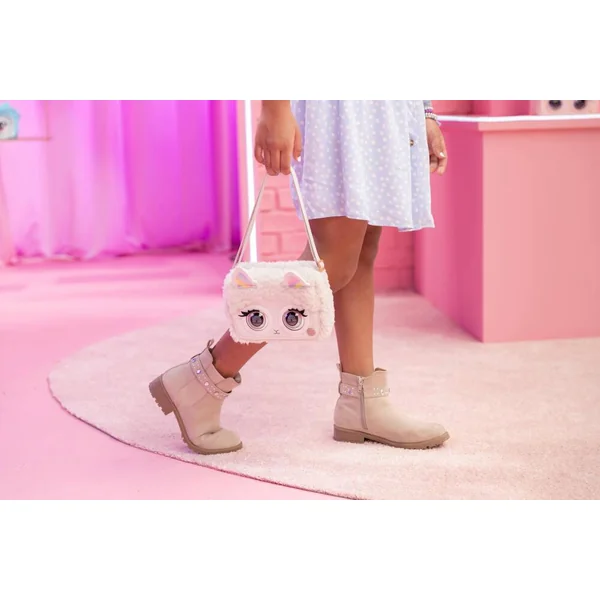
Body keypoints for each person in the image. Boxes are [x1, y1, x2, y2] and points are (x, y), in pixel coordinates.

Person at [149, 100, 450, 455]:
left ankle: (362, 402)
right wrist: (275, 110)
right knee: (333, 261)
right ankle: (201, 380)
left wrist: (424, 111)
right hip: (342, 108)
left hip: (386, 107)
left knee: (362, 251)